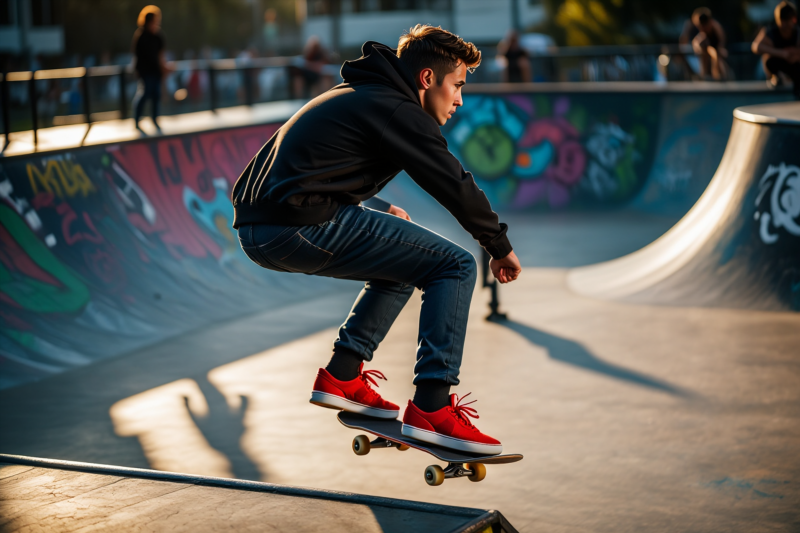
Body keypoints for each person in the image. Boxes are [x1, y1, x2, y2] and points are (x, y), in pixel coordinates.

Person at [232, 25, 521, 455]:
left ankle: (343, 375)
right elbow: (452, 182)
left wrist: (382, 209)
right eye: (456, 86)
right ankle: (432, 408)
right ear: (428, 80)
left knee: (405, 264)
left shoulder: (360, 93)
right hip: (296, 224)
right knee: (455, 266)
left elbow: (317, 167)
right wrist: (498, 245)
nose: (460, 99)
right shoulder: (396, 108)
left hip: (264, 226)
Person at [752, 1, 800, 100]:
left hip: (794, 66)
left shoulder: (797, 32)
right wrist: (781, 53)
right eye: (782, 20)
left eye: (787, 20)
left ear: (793, 20)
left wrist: (794, 53)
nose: (785, 25)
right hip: (778, 64)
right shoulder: (771, 32)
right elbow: (756, 46)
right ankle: (778, 77)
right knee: (768, 60)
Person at [132, 6, 168, 134]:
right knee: (145, 93)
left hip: (156, 70)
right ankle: (137, 119)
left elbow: (161, 55)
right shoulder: (141, 36)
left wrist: (164, 67)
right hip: (145, 71)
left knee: (156, 95)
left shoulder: (158, 36)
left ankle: (155, 119)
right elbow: (137, 55)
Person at [680, 7, 729, 80]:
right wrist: (698, 48)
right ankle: (704, 76)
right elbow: (693, 43)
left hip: (717, 54)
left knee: (718, 61)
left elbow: (721, 41)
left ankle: (719, 77)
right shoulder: (699, 32)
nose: (702, 28)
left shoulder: (715, 27)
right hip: (704, 56)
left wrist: (720, 48)